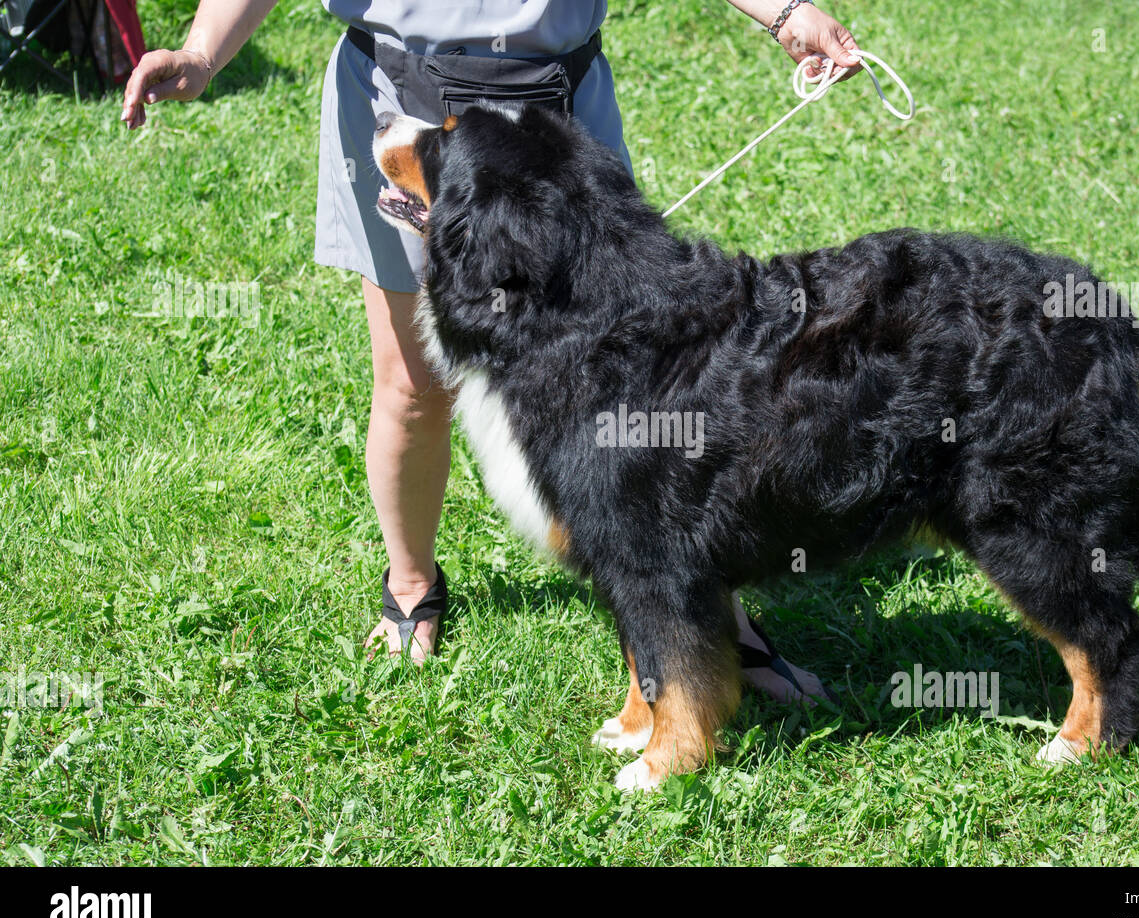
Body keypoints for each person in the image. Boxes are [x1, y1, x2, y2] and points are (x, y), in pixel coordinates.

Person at [121, 0, 859, 702]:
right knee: (416, 385)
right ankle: (411, 585)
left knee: (639, 394)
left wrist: (786, 13)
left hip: (555, 115)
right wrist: (201, 50)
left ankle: (708, 619)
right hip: (404, 101)